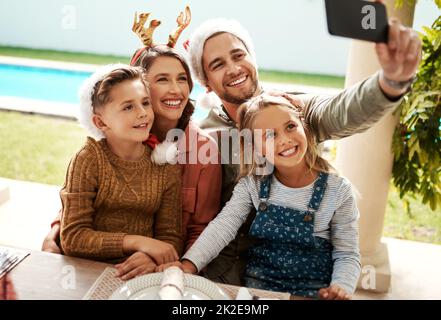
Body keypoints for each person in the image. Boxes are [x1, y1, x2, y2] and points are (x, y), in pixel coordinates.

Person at [182, 16, 421, 285]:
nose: (234, 68)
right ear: (206, 83)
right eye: (218, 64)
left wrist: (390, 83)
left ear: (253, 57)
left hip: (302, 273)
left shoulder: (292, 109)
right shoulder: (206, 136)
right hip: (229, 273)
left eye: (239, 55)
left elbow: (343, 110)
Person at [43, 8, 222, 281]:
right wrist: (56, 232)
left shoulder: (193, 153)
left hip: (160, 269)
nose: (176, 89)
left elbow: (191, 232)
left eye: (182, 78)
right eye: (162, 79)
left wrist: (162, 259)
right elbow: (77, 215)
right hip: (89, 264)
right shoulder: (98, 151)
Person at [178, 93, 361, 299]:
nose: (285, 140)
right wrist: (188, 264)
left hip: (312, 294)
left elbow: (347, 253)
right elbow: (222, 227)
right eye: (270, 135)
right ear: (255, 148)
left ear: (304, 126)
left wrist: (340, 287)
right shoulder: (252, 186)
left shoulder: (338, 190)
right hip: (259, 293)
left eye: (290, 126)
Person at [59, 64, 184, 266]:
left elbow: (171, 237)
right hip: (88, 268)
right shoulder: (89, 159)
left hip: (140, 271)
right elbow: (73, 238)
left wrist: (148, 256)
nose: (143, 113)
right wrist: (136, 242)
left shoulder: (165, 165)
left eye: (145, 102)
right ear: (100, 123)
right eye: (128, 107)